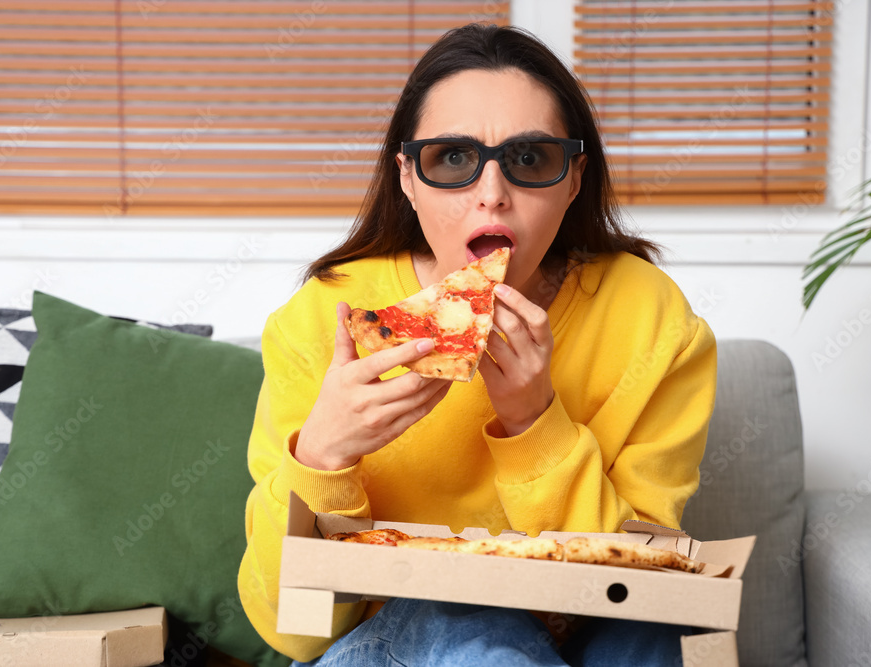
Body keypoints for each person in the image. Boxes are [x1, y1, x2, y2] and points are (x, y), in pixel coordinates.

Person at [238, 23, 717, 667]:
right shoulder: (327, 316)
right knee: (472, 618)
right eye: (453, 159)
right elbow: (291, 633)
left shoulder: (650, 317)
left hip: (580, 628)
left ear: (574, 178)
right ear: (407, 177)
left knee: (658, 626)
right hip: (386, 642)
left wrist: (534, 424)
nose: (492, 193)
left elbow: (640, 583)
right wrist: (323, 456)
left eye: (530, 159)